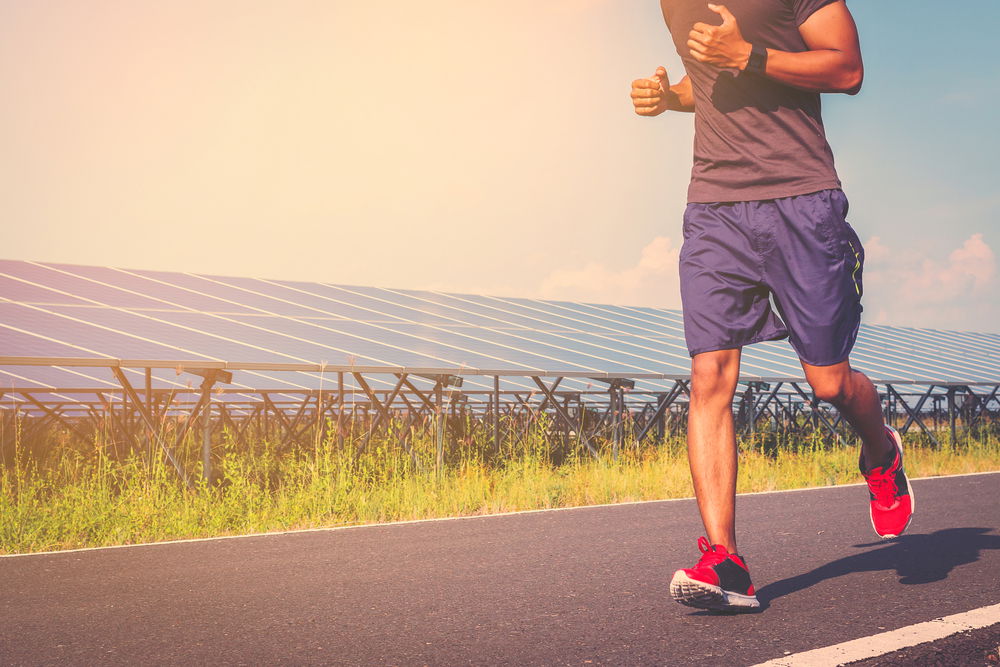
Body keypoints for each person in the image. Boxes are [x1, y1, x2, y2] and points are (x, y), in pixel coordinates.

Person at [630, 0, 914, 612]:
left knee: (829, 383)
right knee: (709, 375)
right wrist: (670, 97)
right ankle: (725, 561)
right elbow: (708, 83)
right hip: (714, 207)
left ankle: (881, 451)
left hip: (802, 198)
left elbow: (846, 70)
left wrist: (749, 54)